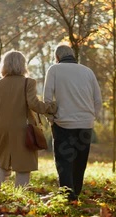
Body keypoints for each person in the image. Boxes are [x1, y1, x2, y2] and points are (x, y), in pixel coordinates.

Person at [43, 44, 102, 202]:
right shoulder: (87, 71)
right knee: (79, 161)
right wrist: (91, 117)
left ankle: (68, 196)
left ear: (57, 57)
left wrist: (51, 119)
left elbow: (47, 99)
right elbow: (98, 99)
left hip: (63, 124)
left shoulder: (54, 70)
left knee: (64, 161)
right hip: (86, 124)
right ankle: (76, 192)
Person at [0, 50, 57, 187]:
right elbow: (33, 104)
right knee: (23, 165)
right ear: (22, 65)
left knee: (3, 162)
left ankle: (0, 191)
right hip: (22, 128)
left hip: (2, 127)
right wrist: (49, 108)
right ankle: (19, 196)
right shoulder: (28, 82)